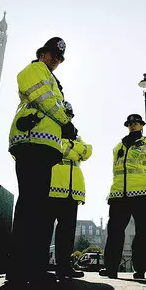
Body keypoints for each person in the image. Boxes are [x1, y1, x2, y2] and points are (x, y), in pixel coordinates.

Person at [5, 37, 78, 288]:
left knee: (36, 209)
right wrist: (65, 122)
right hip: (31, 142)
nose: (55, 60)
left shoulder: (52, 78)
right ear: (42, 54)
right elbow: (45, 100)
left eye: (58, 58)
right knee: (29, 207)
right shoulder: (35, 69)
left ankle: (31, 266)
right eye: (52, 55)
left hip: (43, 147)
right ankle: (18, 268)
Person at [100, 114, 146, 280]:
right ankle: (111, 268)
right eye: (130, 124)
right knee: (114, 231)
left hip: (142, 194)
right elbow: (116, 171)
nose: (133, 126)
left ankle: (140, 268)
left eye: (136, 123)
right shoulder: (118, 147)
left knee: (143, 231)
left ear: (142, 125)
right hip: (118, 194)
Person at [45, 101, 92, 280]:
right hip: (52, 186)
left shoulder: (75, 135)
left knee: (67, 232)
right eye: (65, 114)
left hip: (73, 190)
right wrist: (73, 148)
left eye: (69, 115)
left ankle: (64, 267)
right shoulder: (51, 129)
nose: (68, 118)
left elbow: (88, 151)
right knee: (45, 229)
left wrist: (71, 146)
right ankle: (41, 266)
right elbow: (59, 148)